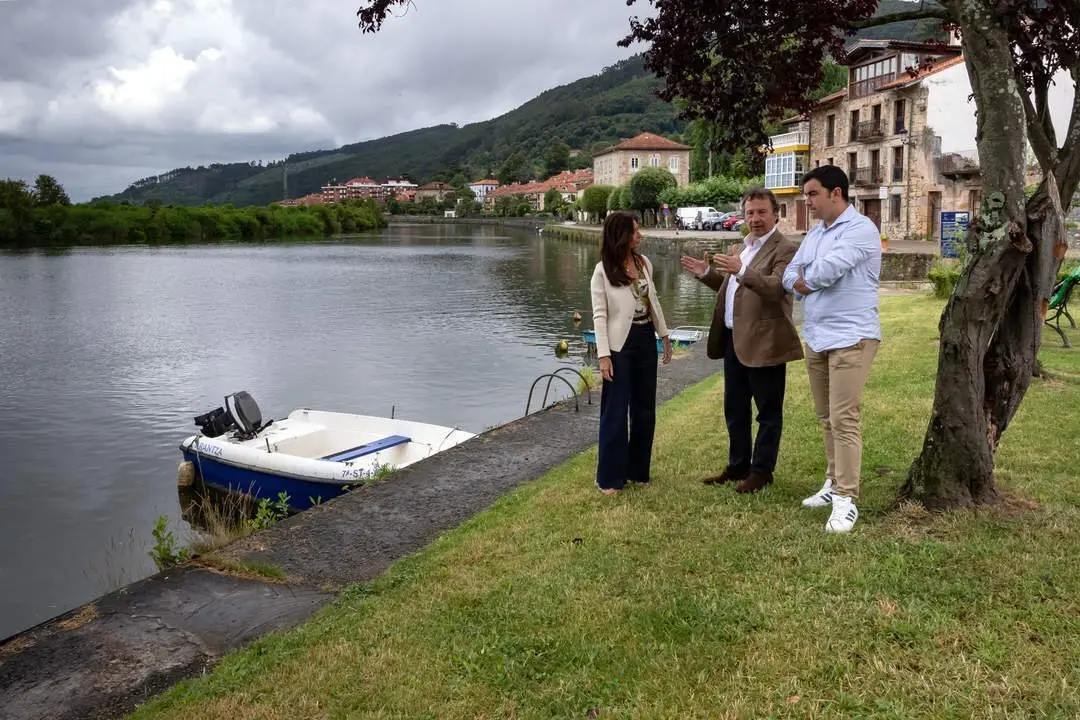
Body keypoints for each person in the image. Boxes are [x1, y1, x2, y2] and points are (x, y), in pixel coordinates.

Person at [680, 188, 803, 494]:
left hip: (765, 341)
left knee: (768, 412)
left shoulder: (785, 249)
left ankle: (762, 471)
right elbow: (734, 287)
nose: (755, 218)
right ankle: (738, 466)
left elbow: (776, 289)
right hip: (735, 340)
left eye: (762, 212)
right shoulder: (743, 247)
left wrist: (742, 270)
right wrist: (708, 274)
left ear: (775, 214)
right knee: (735, 408)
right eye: (750, 213)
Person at [782, 165, 881, 533]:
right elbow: (791, 274)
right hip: (818, 336)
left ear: (835, 193)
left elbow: (824, 273)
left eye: (812, 194)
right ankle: (832, 480)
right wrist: (803, 278)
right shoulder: (816, 234)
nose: (807, 202)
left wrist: (806, 279)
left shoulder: (861, 230)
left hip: (852, 338)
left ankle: (846, 498)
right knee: (826, 418)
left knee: (844, 419)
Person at [590, 212, 673, 495]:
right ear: (621, 236)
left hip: (645, 339)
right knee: (614, 411)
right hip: (618, 346)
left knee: (644, 409)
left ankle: (638, 471)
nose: (640, 236)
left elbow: (654, 301)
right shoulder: (603, 271)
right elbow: (599, 316)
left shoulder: (644, 263)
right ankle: (610, 478)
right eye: (635, 232)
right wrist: (603, 356)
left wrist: (664, 335)